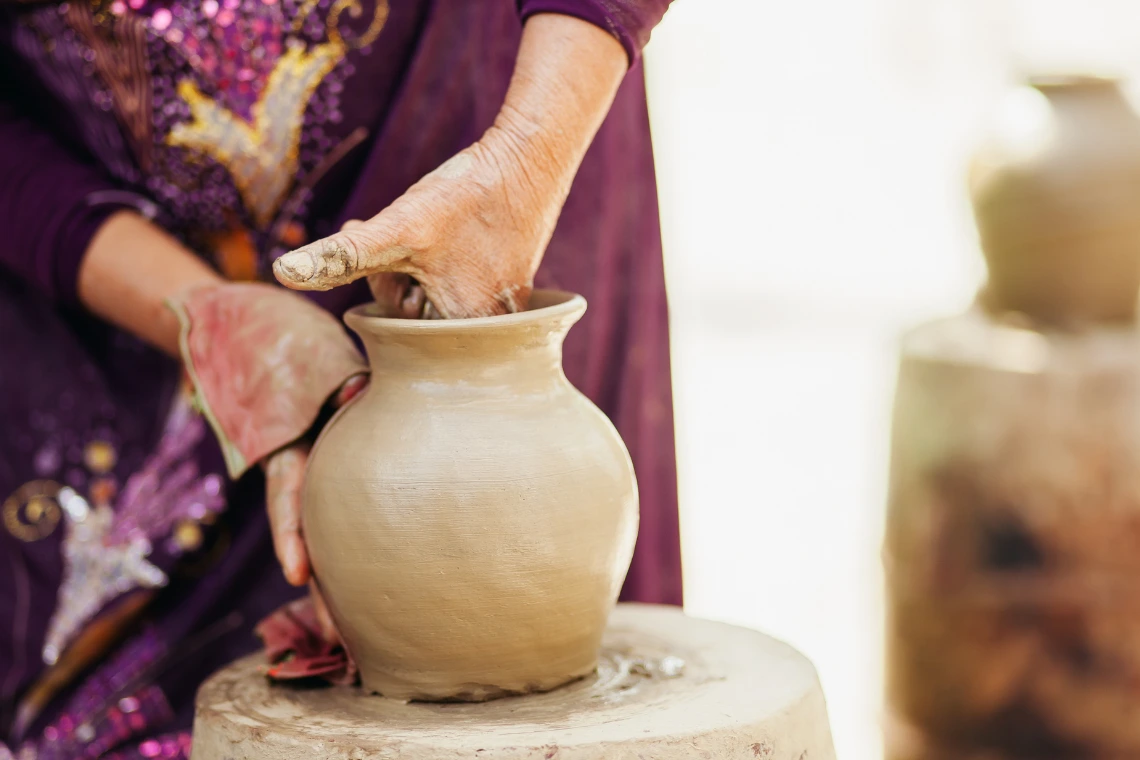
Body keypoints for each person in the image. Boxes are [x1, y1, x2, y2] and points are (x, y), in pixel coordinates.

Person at [0, 0, 679, 755]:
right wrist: (204, 316)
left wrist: (527, 153)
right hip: (112, 287)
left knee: (543, 615)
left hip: (501, 158)